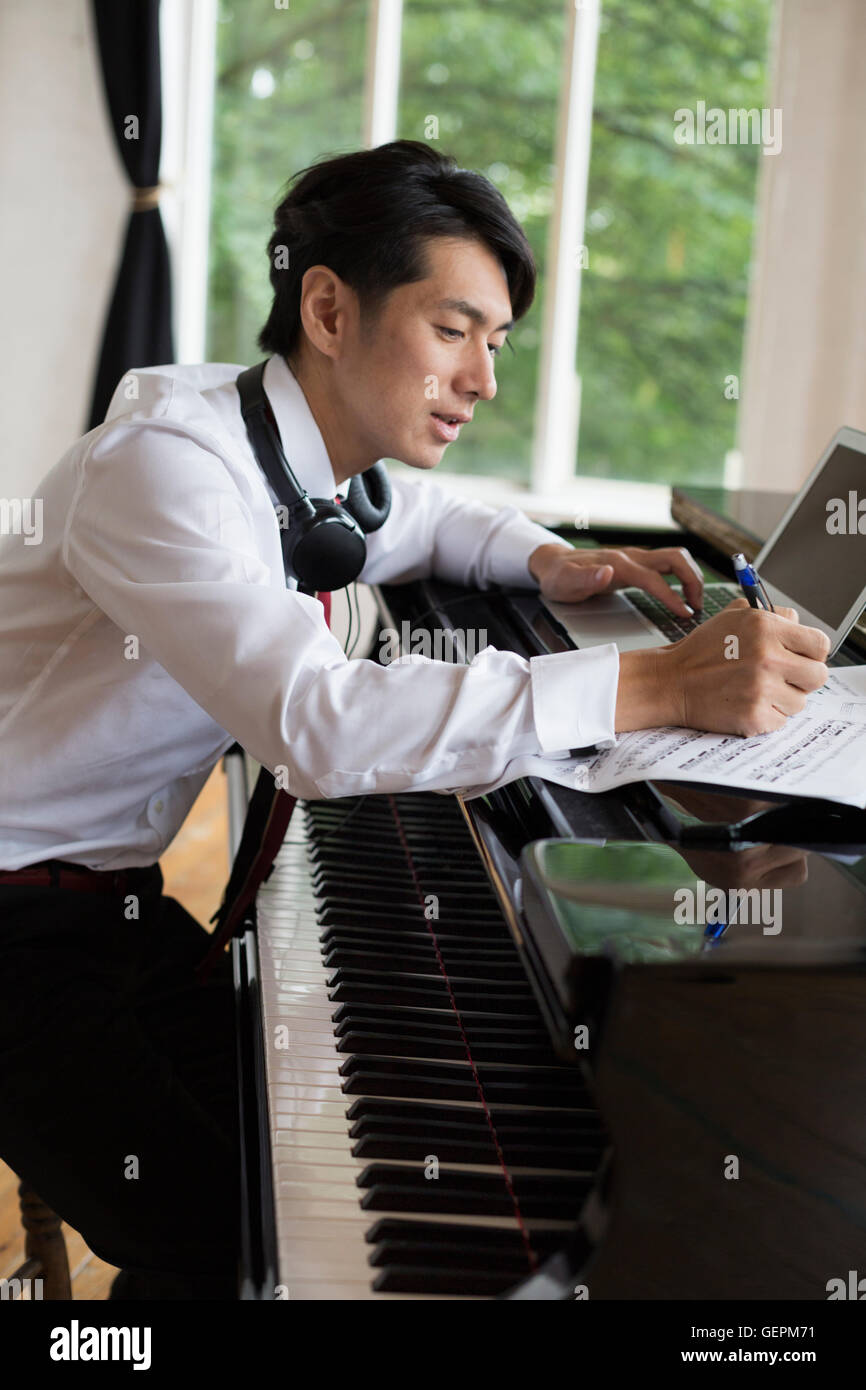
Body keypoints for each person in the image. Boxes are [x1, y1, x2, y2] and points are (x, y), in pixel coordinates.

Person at [0, 139, 829, 1297]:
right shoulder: (169, 471)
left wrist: (558, 560)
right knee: (222, 1241)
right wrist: (661, 685)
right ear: (329, 308)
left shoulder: (299, 451)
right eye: (452, 329)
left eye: (495, 342)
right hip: (19, 922)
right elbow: (319, 722)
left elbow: (425, 520)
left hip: (104, 898)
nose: (485, 378)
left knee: (270, 1174)